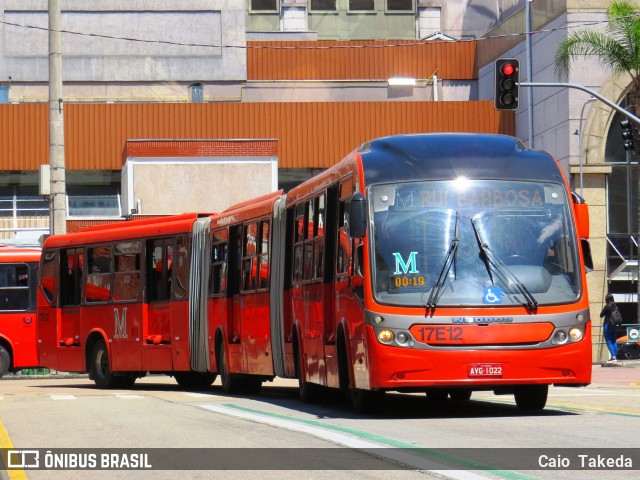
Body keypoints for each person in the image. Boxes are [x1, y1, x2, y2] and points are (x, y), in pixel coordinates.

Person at [600, 293, 620, 361]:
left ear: (606, 299)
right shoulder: (615, 306)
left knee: (608, 340)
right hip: (615, 325)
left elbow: (601, 315)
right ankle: (615, 356)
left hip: (608, 325)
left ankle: (613, 356)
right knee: (614, 340)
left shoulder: (607, 306)